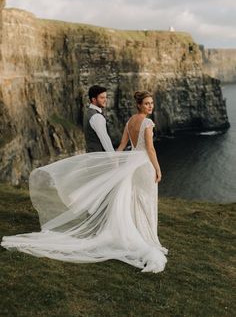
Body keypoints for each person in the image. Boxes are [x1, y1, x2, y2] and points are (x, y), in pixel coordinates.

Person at [1, 91, 167, 273]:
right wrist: (158, 168)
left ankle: (138, 232)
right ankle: (147, 237)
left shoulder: (130, 122)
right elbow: (150, 149)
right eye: (147, 104)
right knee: (145, 200)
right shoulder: (148, 123)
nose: (150, 106)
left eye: (151, 103)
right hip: (144, 164)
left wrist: (115, 161)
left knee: (134, 199)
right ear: (139, 105)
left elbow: (121, 145)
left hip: (131, 164)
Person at [84, 85, 114, 152]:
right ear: (94, 99)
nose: (105, 100)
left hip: (91, 155)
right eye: (102, 98)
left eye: (106, 97)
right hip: (99, 157)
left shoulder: (88, 112)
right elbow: (104, 139)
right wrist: (113, 156)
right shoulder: (96, 116)